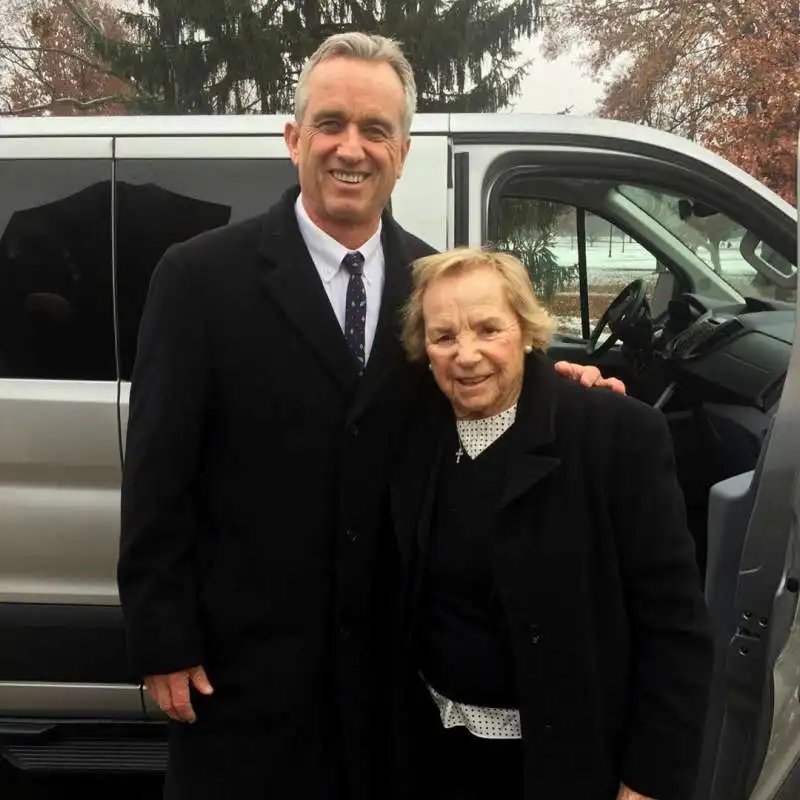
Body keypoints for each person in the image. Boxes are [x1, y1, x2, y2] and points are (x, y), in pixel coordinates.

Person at [116, 32, 624, 800]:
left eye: (375, 129)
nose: (350, 148)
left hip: (392, 675)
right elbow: (156, 476)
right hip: (244, 671)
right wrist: (163, 639)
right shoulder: (198, 279)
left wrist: (565, 387)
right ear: (294, 140)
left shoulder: (430, 286)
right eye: (330, 124)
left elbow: (480, 376)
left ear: (403, 151)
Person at [390, 247, 714, 800]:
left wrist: (649, 779)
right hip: (435, 756)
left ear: (526, 329)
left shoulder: (613, 434)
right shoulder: (413, 433)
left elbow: (673, 627)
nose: (466, 355)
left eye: (489, 329)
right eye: (444, 337)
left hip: (564, 764)